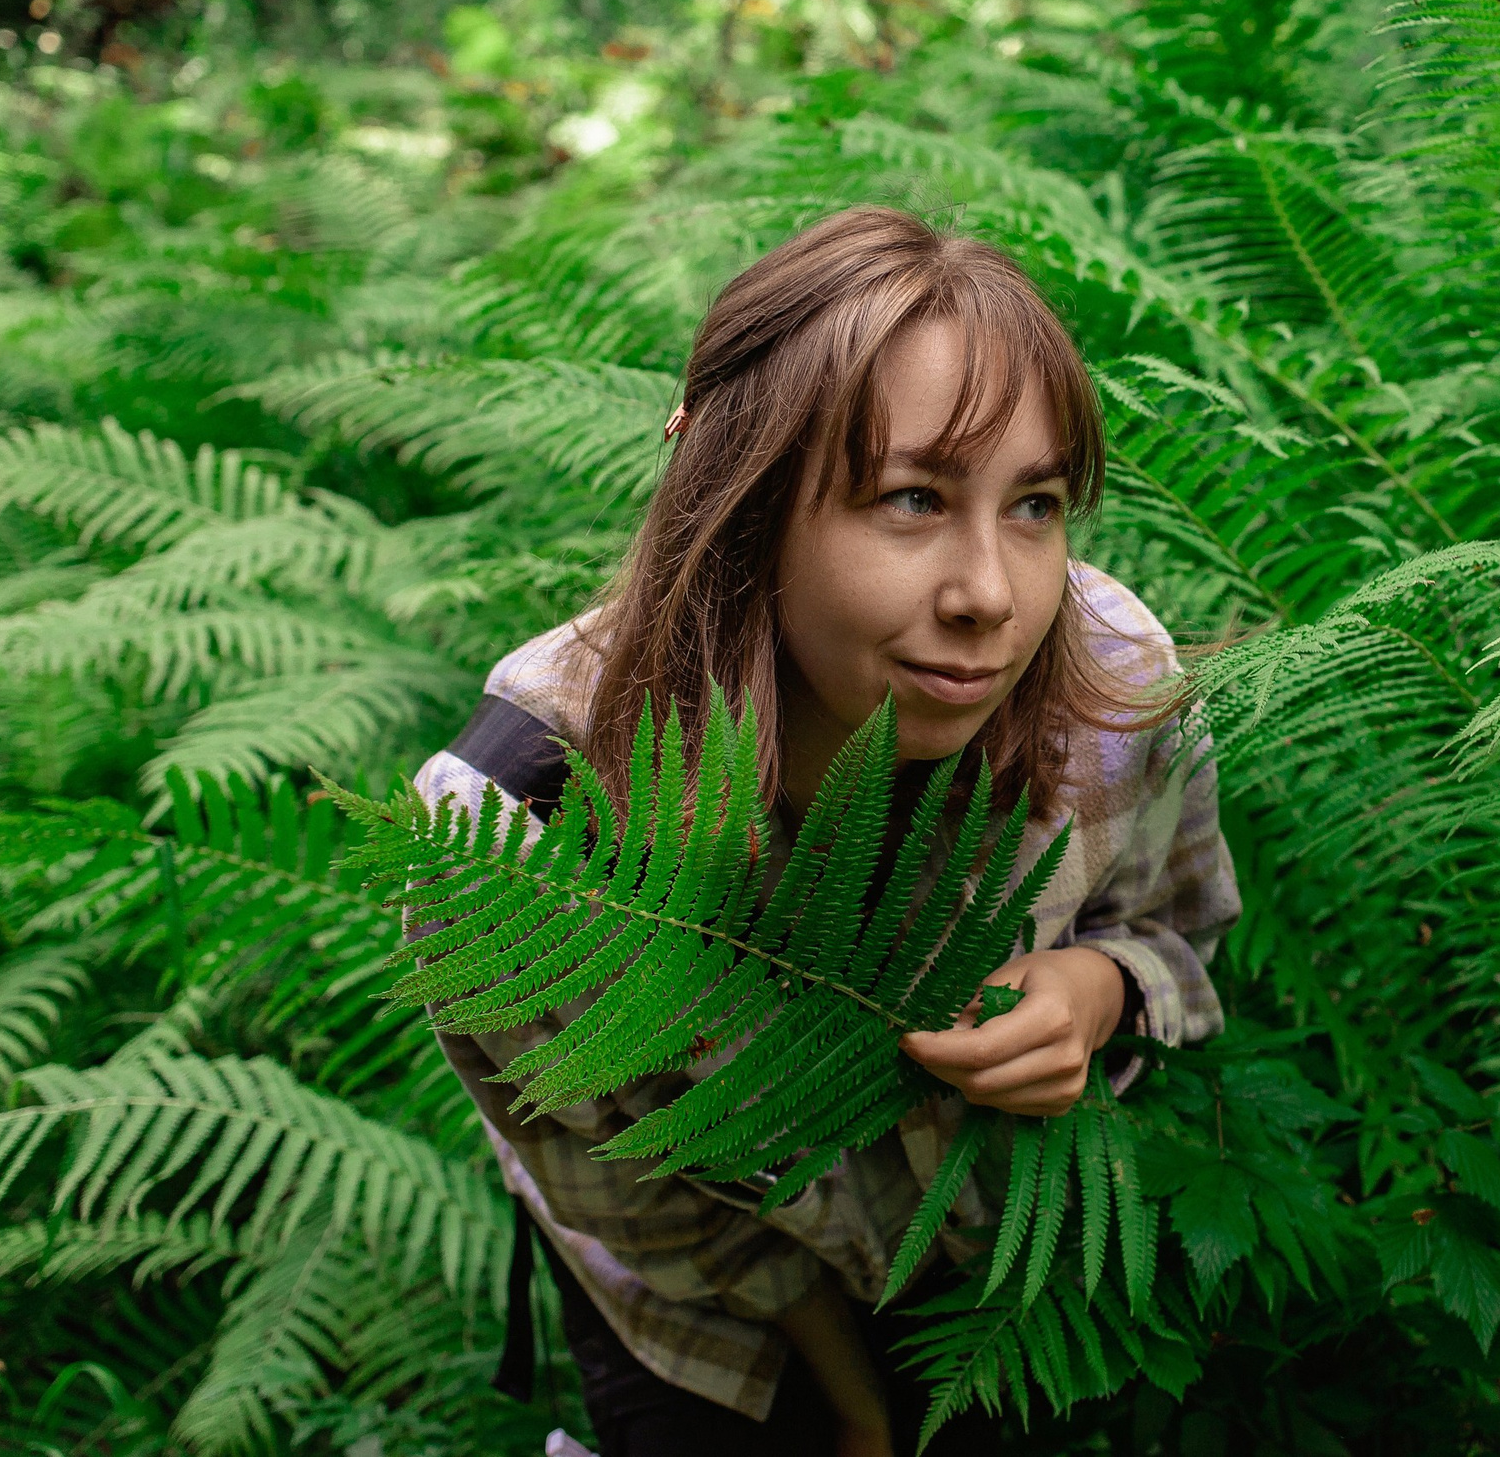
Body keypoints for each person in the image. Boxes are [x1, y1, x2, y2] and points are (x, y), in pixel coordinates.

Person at [416, 206, 1240, 1457]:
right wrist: (854, 1411)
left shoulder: (1111, 684)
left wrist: (1097, 991)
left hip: (1008, 1289)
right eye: (911, 499)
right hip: (725, 1341)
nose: (991, 595)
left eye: (1033, 504)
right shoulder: (520, 841)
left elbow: (1173, 927)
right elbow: (637, 1192)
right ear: (740, 503)